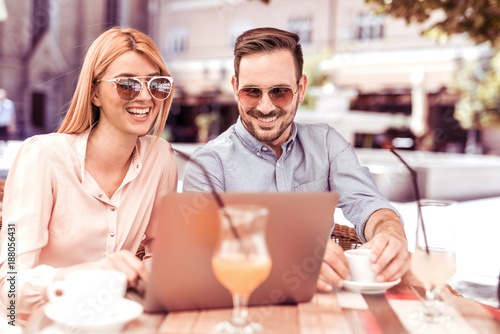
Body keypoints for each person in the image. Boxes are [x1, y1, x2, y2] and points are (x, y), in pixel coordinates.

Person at [183, 27, 410, 292]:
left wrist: (390, 231)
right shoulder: (208, 164)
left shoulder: (326, 144)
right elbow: (199, 255)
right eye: (252, 92)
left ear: (300, 89)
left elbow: (367, 203)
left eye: (280, 92)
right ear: (235, 89)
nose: (265, 107)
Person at [0, 27, 177, 324]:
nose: (146, 97)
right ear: (94, 93)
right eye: (127, 84)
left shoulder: (161, 157)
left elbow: (161, 254)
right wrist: (90, 273)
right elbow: (9, 286)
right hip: (42, 326)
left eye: (157, 84)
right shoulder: (42, 156)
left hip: (117, 320)